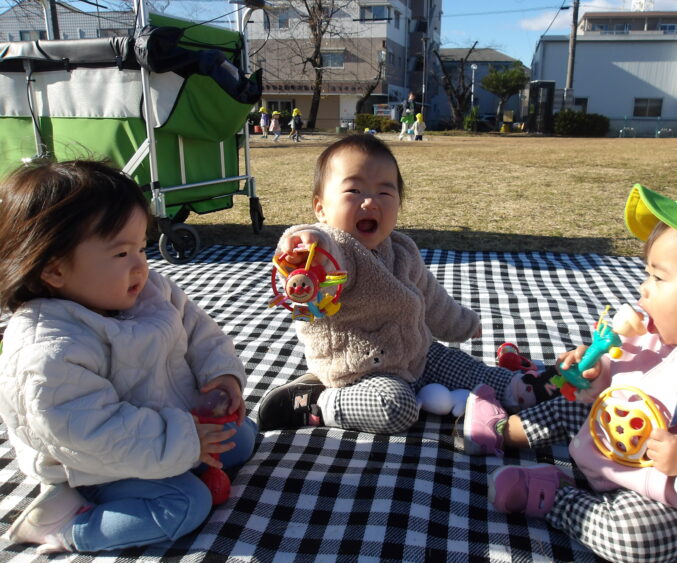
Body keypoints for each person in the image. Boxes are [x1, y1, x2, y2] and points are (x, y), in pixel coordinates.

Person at [462, 184, 677, 562]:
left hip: (676, 502)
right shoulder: (661, 335)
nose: (644, 289)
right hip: (611, 447)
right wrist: (596, 370)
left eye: (659, 278)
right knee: (573, 407)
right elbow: (621, 377)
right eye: (646, 274)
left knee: (636, 539)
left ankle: (556, 496)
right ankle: (504, 430)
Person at [0, 160, 257, 554]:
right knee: (186, 504)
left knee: (241, 438)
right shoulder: (49, 349)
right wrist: (185, 441)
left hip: (167, 427)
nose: (142, 264)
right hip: (92, 463)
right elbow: (94, 434)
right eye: (121, 253)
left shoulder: (149, 290)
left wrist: (222, 376)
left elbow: (200, 331)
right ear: (54, 270)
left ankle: (182, 455)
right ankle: (65, 523)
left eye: (141, 246)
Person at [255, 134, 550, 435]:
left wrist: (464, 323)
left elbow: (431, 297)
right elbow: (321, 268)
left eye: (385, 192)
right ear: (321, 208)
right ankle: (316, 402)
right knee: (396, 408)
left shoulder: (402, 249)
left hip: (416, 354)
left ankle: (521, 389)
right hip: (358, 369)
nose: (370, 201)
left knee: (466, 367)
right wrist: (308, 246)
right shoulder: (336, 249)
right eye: (354, 190)